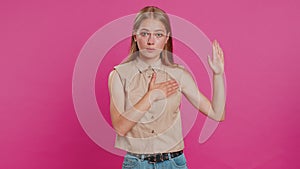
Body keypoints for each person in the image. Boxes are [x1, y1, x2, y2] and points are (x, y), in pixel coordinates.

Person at [108, 6, 226, 169]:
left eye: (158, 34)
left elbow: (217, 113)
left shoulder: (179, 74)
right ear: (135, 36)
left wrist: (218, 75)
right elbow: (120, 127)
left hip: (174, 163)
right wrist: (151, 96)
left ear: (166, 38)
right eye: (144, 33)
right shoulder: (119, 75)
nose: (151, 41)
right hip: (136, 164)